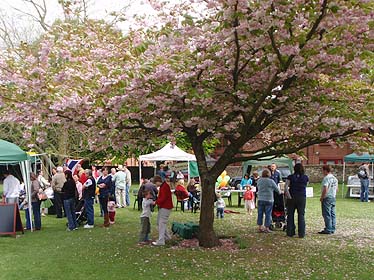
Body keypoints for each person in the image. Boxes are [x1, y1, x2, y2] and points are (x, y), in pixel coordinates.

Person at [285, 163, 309, 238]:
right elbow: (306, 185)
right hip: (301, 197)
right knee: (301, 215)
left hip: (292, 196)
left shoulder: (290, 177)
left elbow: (286, 187)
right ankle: (301, 233)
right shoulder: (305, 177)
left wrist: (289, 196)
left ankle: (290, 232)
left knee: (290, 215)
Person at [257, 169, 281, 233]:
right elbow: (277, 190)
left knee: (260, 213)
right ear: (269, 174)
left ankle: (259, 227)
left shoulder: (259, 181)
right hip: (269, 199)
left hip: (260, 199)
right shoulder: (271, 181)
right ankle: (267, 227)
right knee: (268, 214)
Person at [152, 176, 173, 246]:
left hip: (165, 207)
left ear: (158, 181)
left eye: (155, 183)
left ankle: (161, 240)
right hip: (164, 207)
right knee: (159, 222)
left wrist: (156, 202)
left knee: (161, 223)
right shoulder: (163, 186)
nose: (156, 185)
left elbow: (163, 198)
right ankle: (167, 237)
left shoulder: (164, 187)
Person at [319, 165, 338, 235]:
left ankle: (328, 228)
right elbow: (337, 189)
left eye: (322, 170)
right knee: (333, 214)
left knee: (326, 214)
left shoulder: (326, 178)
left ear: (325, 170)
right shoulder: (335, 178)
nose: (322, 172)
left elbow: (325, 188)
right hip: (333, 197)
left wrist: (322, 197)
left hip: (327, 197)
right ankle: (332, 228)